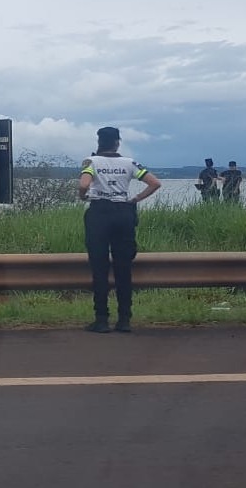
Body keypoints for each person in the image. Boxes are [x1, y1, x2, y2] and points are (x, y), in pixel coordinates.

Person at [78, 126, 161, 333]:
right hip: (123, 213)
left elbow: (83, 185)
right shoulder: (129, 163)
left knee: (99, 267)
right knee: (123, 268)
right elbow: (155, 183)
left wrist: (82, 197)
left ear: (99, 142)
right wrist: (135, 199)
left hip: (99, 213)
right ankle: (124, 319)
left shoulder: (91, 161)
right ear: (117, 143)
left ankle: (102, 319)